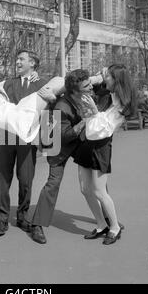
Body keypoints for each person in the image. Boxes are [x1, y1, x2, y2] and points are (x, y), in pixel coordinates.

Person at [30, 69, 95, 244]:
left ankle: (106, 219)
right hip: (57, 144)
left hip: (76, 141)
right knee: (53, 183)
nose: (91, 87)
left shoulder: (82, 95)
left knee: (96, 176)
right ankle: (37, 225)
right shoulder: (61, 106)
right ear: (74, 90)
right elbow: (63, 135)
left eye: (90, 84)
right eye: (86, 86)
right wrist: (84, 121)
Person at [0, 50, 48, 236]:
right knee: (2, 178)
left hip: (28, 140)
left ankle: (23, 217)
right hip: (6, 137)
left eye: (21, 59)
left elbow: (48, 110)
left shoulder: (42, 84)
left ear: (32, 63)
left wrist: (46, 141)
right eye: (17, 59)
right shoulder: (7, 83)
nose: (17, 62)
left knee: (26, 180)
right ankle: (2, 219)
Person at [74, 64, 136, 245]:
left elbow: (104, 130)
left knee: (99, 192)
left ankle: (115, 227)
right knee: (85, 190)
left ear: (117, 80)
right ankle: (101, 225)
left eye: (107, 76)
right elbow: (91, 85)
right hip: (87, 144)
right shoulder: (106, 94)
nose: (104, 78)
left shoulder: (123, 104)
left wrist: (94, 111)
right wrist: (99, 75)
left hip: (100, 145)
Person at [0, 60, 65, 143]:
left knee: (58, 80)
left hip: (19, 109)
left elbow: (12, 81)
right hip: (16, 119)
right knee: (60, 82)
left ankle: (66, 98)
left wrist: (33, 73)